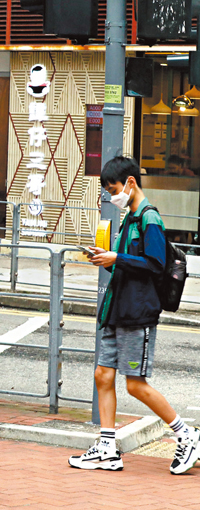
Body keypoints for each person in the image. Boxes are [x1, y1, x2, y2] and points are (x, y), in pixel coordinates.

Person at [70, 156, 200, 474]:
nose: (112, 195)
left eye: (113, 188)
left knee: (135, 384)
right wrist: (108, 259)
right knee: (103, 375)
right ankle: (107, 447)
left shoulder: (148, 218)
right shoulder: (130, 216)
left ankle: (187, 436)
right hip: (118, 309)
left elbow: (155, 264)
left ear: (130, 182)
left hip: (138, 312)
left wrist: (118, 257)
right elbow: (130, 262)